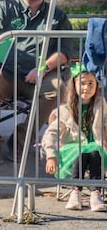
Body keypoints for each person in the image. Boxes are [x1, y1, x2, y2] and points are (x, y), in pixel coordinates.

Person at [0, 0, 73, 162]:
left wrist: (43, 68)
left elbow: (64, 51)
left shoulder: (56, 15)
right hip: (5, 72)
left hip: (42, 74)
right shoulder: (4, 8)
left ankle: (19, 140)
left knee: (56, 90)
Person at [42, 62, 107, 212]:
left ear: (97, 85)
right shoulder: (65, 110)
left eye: (91, 83)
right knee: (82, 150)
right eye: (82, 83)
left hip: (97, 151)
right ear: (74, 85)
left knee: (94, 150)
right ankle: (75, 192)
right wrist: (50, 155)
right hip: (71, 152)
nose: (86, 87)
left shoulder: (101, 106)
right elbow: (50, 134)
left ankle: (95, 194)